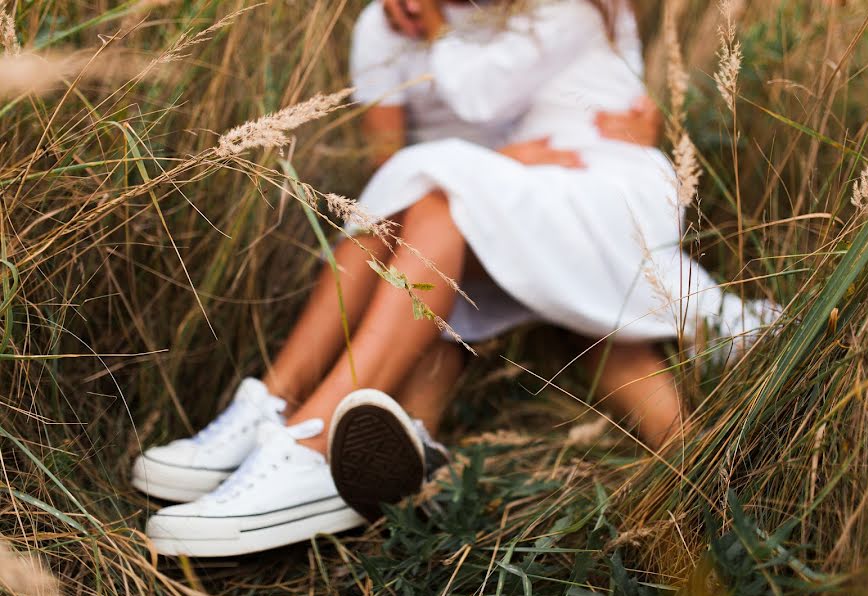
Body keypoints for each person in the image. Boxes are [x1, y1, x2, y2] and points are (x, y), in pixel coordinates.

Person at [132, 0, 775, 557]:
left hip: (591, 189)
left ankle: (318, 443)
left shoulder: (565, 8)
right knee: (414, 212)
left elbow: (478, 98)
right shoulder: (384, 26)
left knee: (446, 201)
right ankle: (299, 415)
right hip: (501, 205)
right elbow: (388, 169)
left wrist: (438, 27)